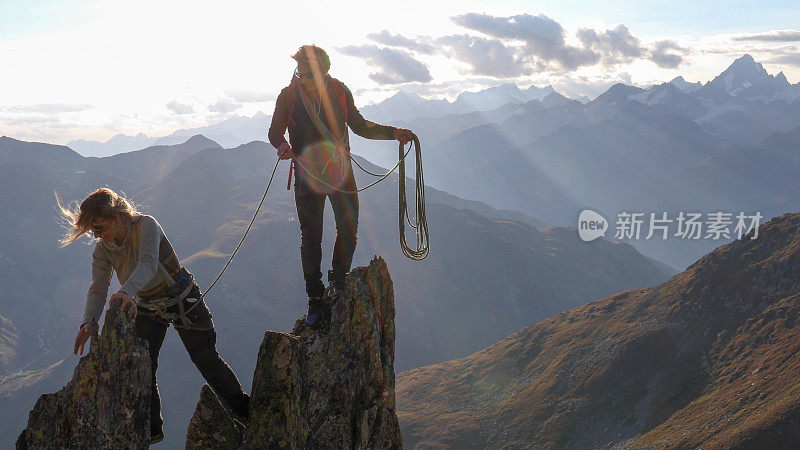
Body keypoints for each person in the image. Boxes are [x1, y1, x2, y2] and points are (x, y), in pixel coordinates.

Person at [61, 188, 250, 445]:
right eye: (92, 231)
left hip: (181, 298)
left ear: (116, 216)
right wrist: (88, 321)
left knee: (205, 359)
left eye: (99, 227)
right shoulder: (103, 250)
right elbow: (98, 287)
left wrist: (126, 291)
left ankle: (248, 413)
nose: (97, 235)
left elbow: (148, 263)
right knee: (144, 365)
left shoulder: (146, 225)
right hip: (150, 304)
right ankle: (151, 428)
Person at [268, 44, 414, 328]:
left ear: (324, 72)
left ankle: (338, 280)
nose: (302, 78)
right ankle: (315, 298)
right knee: (311, 237)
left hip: (339, 170)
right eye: (299, 72)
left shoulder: (339, 91)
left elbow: (359, 126)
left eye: (308, 73)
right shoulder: (288, 96)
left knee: (349, 228)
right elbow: (274, 131)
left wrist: (393, 133)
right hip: (308, 174)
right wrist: (282, 144)